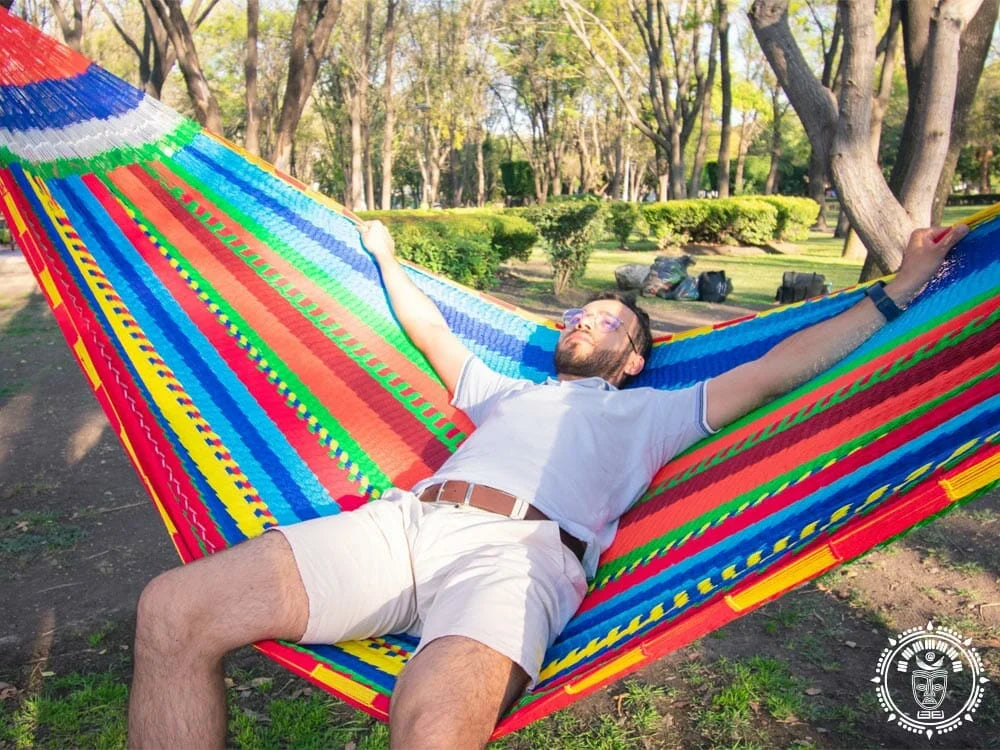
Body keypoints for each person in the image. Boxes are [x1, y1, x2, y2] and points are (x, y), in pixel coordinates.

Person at [127, 219, 968, 749]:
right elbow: (425, 331)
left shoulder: (654, 413)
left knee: (432, 736)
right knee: (172, 609)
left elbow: (777, 367)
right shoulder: (509, 391)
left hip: (520, 560)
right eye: (576, 314)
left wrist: (897, 293)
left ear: (633, 358)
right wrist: (381, 256)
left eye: (604, 320)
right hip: (403, 526)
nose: (579, 321)